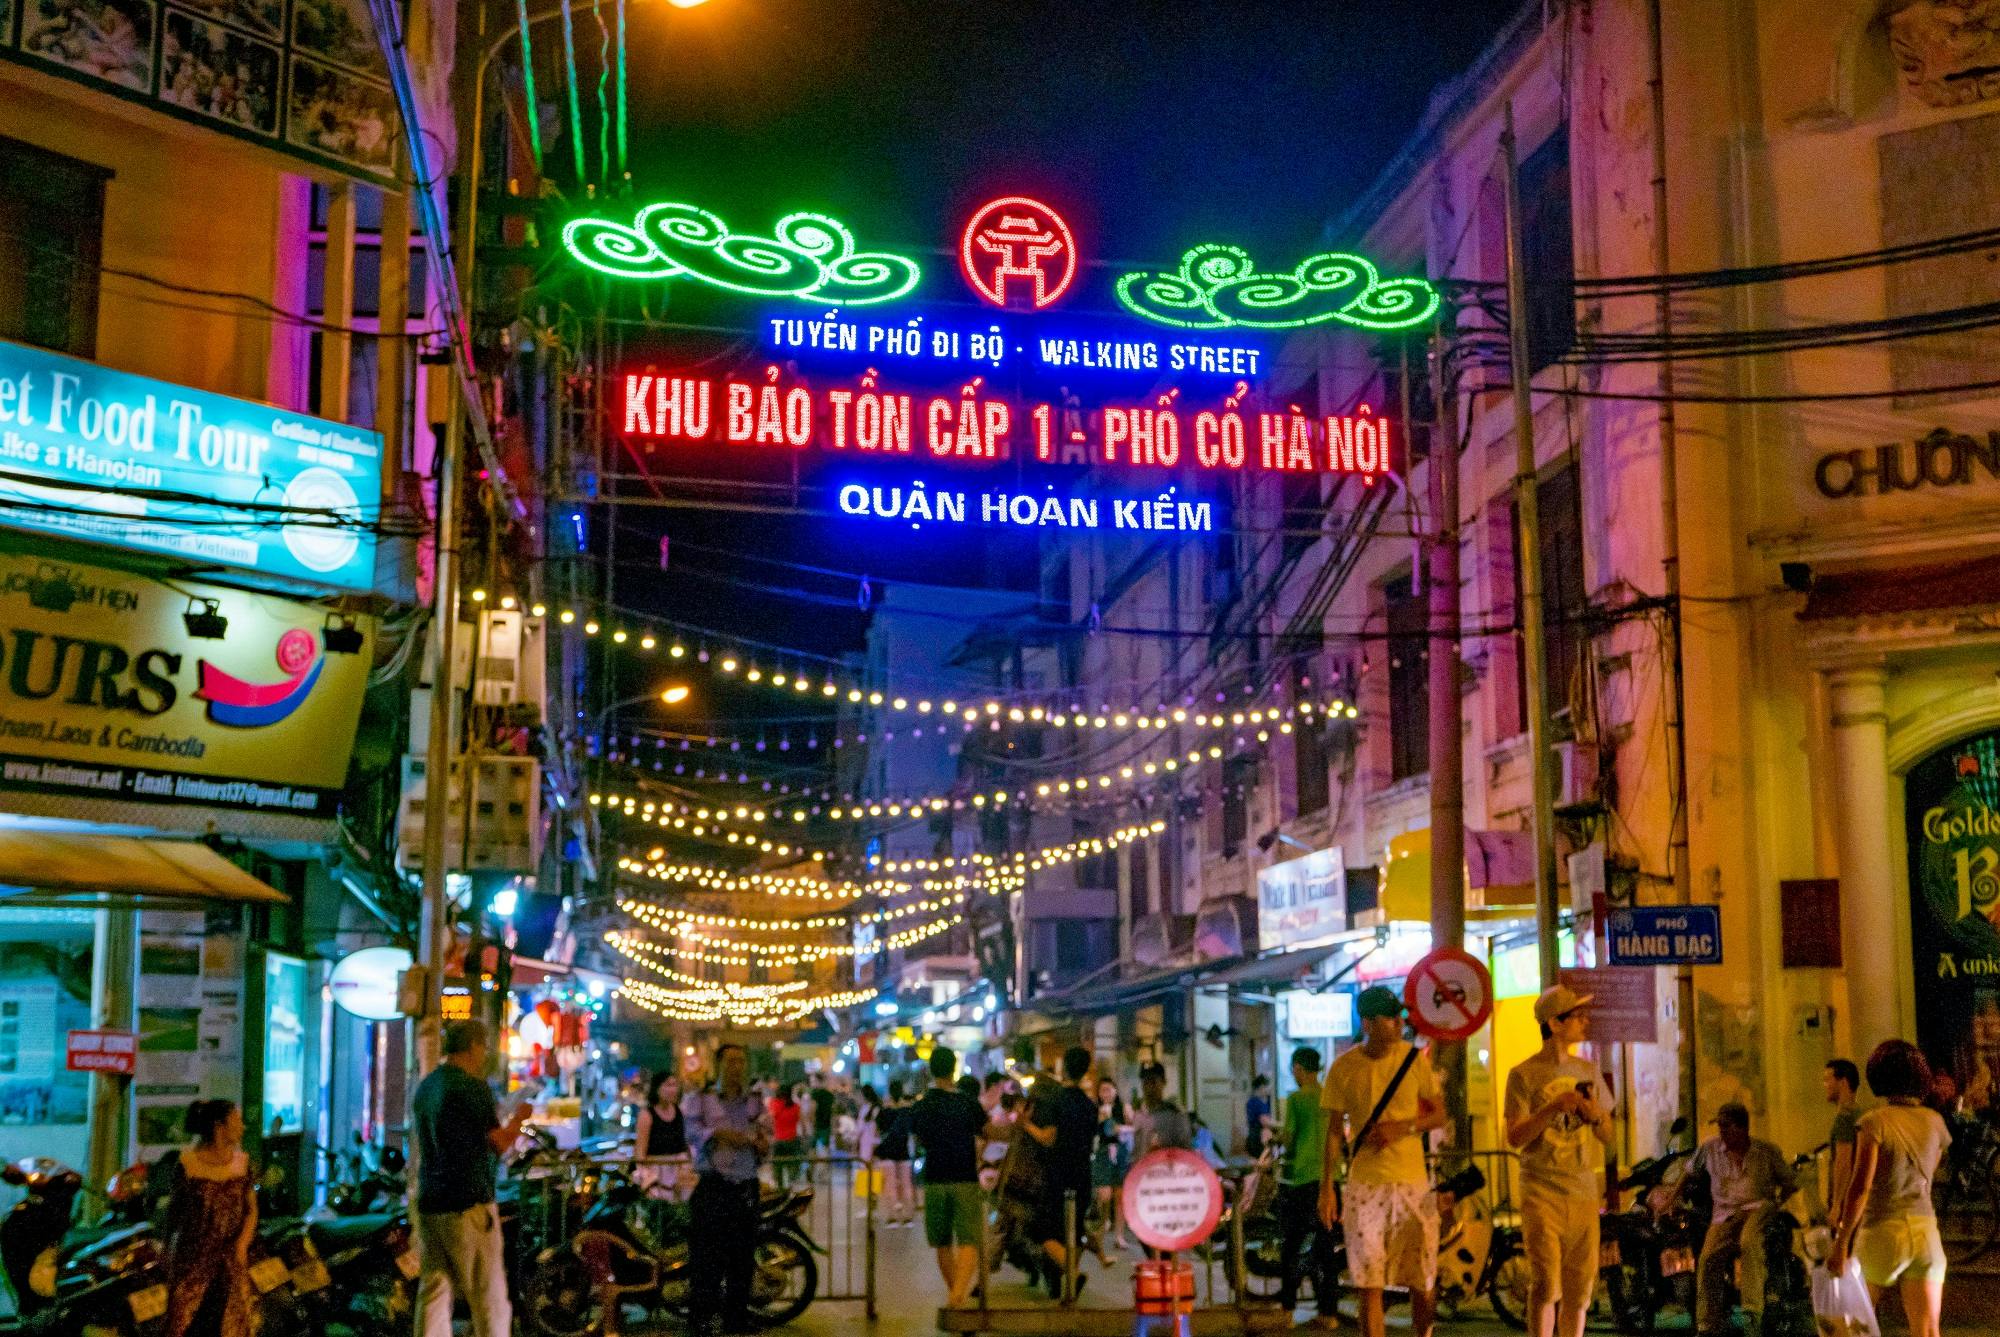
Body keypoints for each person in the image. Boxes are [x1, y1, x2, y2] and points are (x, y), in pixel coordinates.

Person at [1319, 985, 1445, 1337]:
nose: (1399, 1024)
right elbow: (1332, 1132)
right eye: (1391, 1018)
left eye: (1400, 1017)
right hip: (1364, 1186)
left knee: (1423, 1278)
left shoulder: (1414, 1062)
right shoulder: (1344, 1068)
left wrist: (1402, 1127)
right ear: (1369, 1023)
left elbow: (1439, 1115)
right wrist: (1327, 1188)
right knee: (1368, 1281)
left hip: (1413, 1185)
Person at [1504, 985, 1613, 1337]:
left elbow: (1608, 1134)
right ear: (1554, 1023)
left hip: (1582, 1188)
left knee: (1580, 1287)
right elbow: (1516, 1137)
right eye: (1577, 1016)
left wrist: (1595, 1115)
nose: (1585, 1022)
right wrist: (1552, 1107)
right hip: (1540, 1188)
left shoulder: (1588, 1070)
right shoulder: (1522, 1074)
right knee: (1547, 1283)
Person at [413, 1019, 530, 1337]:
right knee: (489, 1296)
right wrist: (520, 1117)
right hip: (468, 1203)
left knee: (434, 1291)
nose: (485, 1054)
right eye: (484, 1047)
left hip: (430, 1203)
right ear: (474, 1046)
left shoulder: (427, 1086)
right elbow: (499, 1143)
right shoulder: (471, 1087)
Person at [1828, 1040, 1951, 1337]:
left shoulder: (1873, 1122)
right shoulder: (1935, 1122)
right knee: (1927, 1330)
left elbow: (1861, 1186)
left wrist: (1842, 1241)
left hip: (1881, 1231)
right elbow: (1929, 1175)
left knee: (1852, 1327)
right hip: (1925, 1234)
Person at [1675, 1101, 1797, 1337]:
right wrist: (1671, 1199)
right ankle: (1707, 1323)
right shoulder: (1710, 1149)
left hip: (1758, 1207)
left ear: (1742, 1128)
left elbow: (1789, 1182)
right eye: (1719, 1127)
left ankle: (1752, 1313)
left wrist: (1780, 1204)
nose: (1721, 1133)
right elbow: (1688, 1173)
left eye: (1726, 1127)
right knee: (1708, 1257)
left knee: (1750, 1243)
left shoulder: (1765, 1151)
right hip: (1725, 1213)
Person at [683, 1043, 774, 1337]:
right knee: (707, 1261)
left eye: (741, 1062)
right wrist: (718, 1133)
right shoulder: (703, 1100)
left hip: (745, 1186)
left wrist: (761, 1144)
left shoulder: (753, 1102)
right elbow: (692, 1133)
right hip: (713, 1186)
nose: (737, 1067)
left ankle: (736, 1319)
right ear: (719, 1065)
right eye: (731, 1061)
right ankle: (702, 1322)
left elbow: (766, 1135)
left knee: (742, 1259)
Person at [160, 1099, 256, 1337]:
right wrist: (165, 1248)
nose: (242, 1127)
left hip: (230, 1262)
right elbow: (175, 1213)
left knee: (231, 1325)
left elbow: (251, 1210)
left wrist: (242, 1245)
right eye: (236, 1121)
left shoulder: (242, 1163)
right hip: (193, 1261)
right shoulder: (187, 1164)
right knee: (186, 1325)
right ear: (219, 1126)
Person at [907, 1045, 993, 1307]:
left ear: (931, 1070)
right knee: (970, 1240)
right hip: (965, 1178)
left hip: (934, 1178)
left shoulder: (922, 1106)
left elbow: (919, 1140)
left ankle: (957, 1297)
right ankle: (958, 1296)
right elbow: (988, 1131)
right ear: (953, 1069)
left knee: (942, 1243)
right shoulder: (967, 1102)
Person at [1022, 1047, 1098, 1300]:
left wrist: (1025, 1124)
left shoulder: (1056, 1100)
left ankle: (1072, 1275)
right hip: (1083, 1174)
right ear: (1085, 1069)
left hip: (1059, 1174)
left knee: (1041, 1231)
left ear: (1063, 1067)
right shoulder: (1090, 1105)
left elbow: (1048, 1138)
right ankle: (1068, 1290)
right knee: (1073, 1231)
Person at [1276, 1046, 1335, 1331]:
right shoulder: (1328, 1097)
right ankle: (1329, 1312)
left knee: (1291, 1246)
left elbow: (1289, 1139)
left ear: (1299, 1068)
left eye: (1294, 1069)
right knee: (1325, 1247)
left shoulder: (1297, 1099)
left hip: (1302, 1180)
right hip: (1329, 1180)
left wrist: (1278, 1141)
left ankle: (1288, 1308)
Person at [1090, 1078, 1132, 1260]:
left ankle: (1119, 1236)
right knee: (1104, 1194)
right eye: (1102, 1090)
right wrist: (1101, 1117)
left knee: (1120, 1196)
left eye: (1109, 1089)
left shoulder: (1124, 1108)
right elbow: (1093, 1130)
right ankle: (1103, 1223)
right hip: (1103, 1152)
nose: (1106, 1093)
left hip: (1121, 1151)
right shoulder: (1097, 1110)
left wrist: (1120, 1127)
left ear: (1115, 1090)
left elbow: (1133, 1125)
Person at [635, 1071, 689, 1191]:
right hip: (655, 1174)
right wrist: (646, 1177)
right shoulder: (647, 1115)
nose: (672, 1089)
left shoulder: (680, 1112)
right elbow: (640, 1152)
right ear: (657, 1088)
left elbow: (684, 1144)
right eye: (667, 1085)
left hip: (678, 1174)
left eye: (674, 1085)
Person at [1825, 1058, 1862, 1212]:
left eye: (1828, 1080)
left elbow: (1843, 1162)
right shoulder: (1859, 1114)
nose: (1824, 1085)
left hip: (1847, 1202)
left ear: (1843, 1082)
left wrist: (1837, 1204)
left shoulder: (1845, 1118)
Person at [877, 1079, 916, 1225]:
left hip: (887, 1151)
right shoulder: (907, 1111)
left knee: (890, 1184)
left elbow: (880, 1130)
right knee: (906, 1183)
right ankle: (908, 1216)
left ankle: (892, 1216)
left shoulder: (885, 1111)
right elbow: (912, 1129)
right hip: (903, 1150)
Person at [1246, 1073, 1276, 1157]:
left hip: (1253, 1137)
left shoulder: (1253, 1101)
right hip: (1258, 1139)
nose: (1268, 1090)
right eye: (1267, 1087)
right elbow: (1265, 1121)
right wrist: (1280, 1124)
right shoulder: (1257, 1103)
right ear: (1261, 1087)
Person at [810, 1074, 837, 1157]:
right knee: (826, 1148)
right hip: (827, 1125)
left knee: (812, 1148)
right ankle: (826, 1167)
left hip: (816, 1125)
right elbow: (833, 1111)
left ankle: (811, 1168)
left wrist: (811, 1123)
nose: (811, 1083)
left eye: (813, 1081)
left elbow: (812, 1109)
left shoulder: (814, 1094)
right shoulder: (830, 1095)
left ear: (819, 1081)